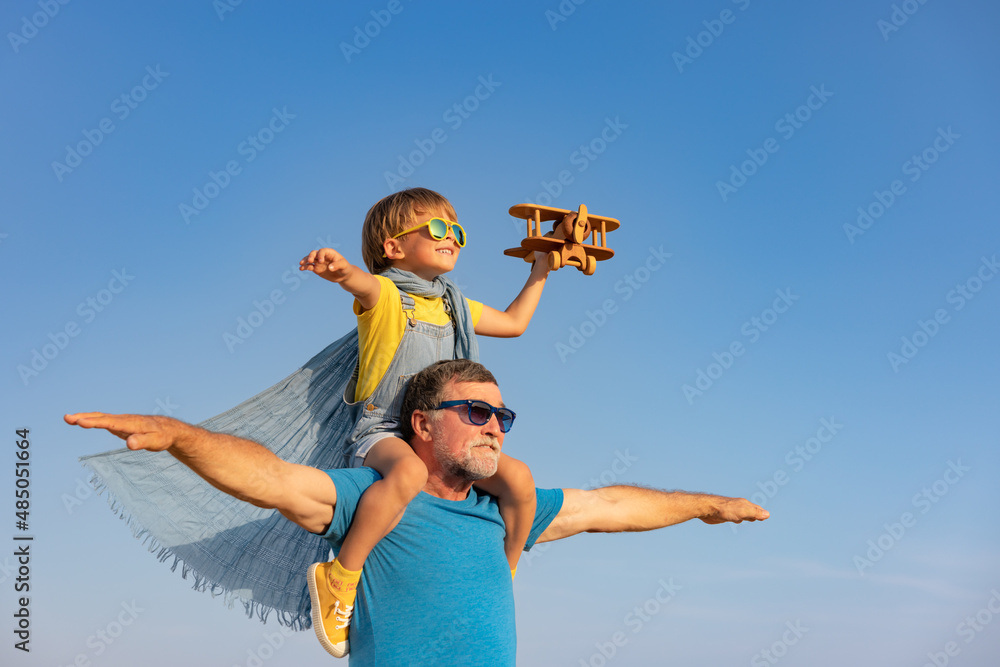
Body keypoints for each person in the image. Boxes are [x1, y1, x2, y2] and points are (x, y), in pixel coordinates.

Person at [66, 359, 769, 665]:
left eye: (504, 415)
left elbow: (611, 504)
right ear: (423, 425)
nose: (495, 425)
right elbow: (272, 478)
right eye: (476, 411)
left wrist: (709, 504)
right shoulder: (370, 499)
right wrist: (183, 435)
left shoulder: (503, 512)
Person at [296, 187, 562, 656]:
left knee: (519, 478)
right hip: (382, 431)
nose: (452, 237)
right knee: (409, 473)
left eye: (456, 230)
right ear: (393, 248)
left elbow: (515, 323)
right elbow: (364, 283)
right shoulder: (387, 299)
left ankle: (504, 569)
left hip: (441, 432)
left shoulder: (454, 306)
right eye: (437, 229)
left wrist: (540, 267)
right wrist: (340, 272)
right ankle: (342, 575)